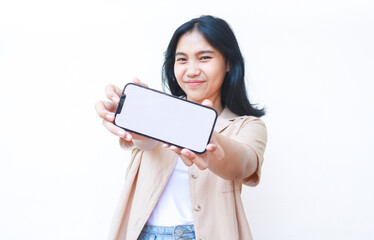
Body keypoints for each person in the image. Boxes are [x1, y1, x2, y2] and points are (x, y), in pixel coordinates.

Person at [95, 15, 267, 240]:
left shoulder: (247, 125)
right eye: (182, 59)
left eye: (204, 58)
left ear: (228, 63)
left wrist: (207, 139)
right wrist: (129, 119)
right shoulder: (158, 114)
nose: (191, 70)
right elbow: (144, 141)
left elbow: (243, 164)